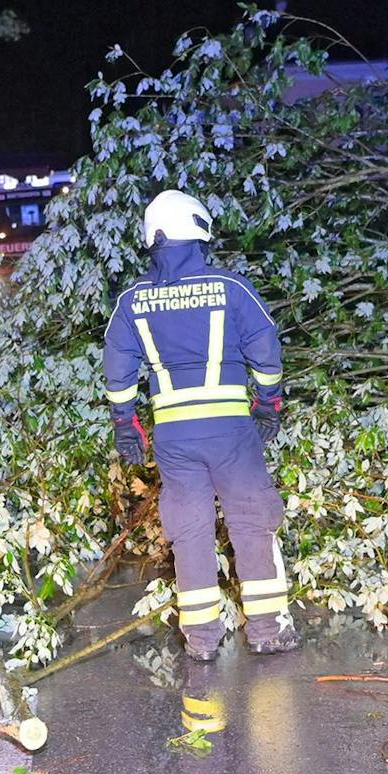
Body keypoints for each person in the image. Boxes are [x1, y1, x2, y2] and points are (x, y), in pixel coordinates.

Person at [102, 190, 299, 661]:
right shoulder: (231, 287)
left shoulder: (132, 301)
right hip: (231, 431)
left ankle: (202, 640)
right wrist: (269, 404)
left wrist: (125, 425)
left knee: (189, 532)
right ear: (199, 231)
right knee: (252, 522)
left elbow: (117, 370)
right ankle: (268, 630)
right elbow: (265, 351)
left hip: (174, 439)